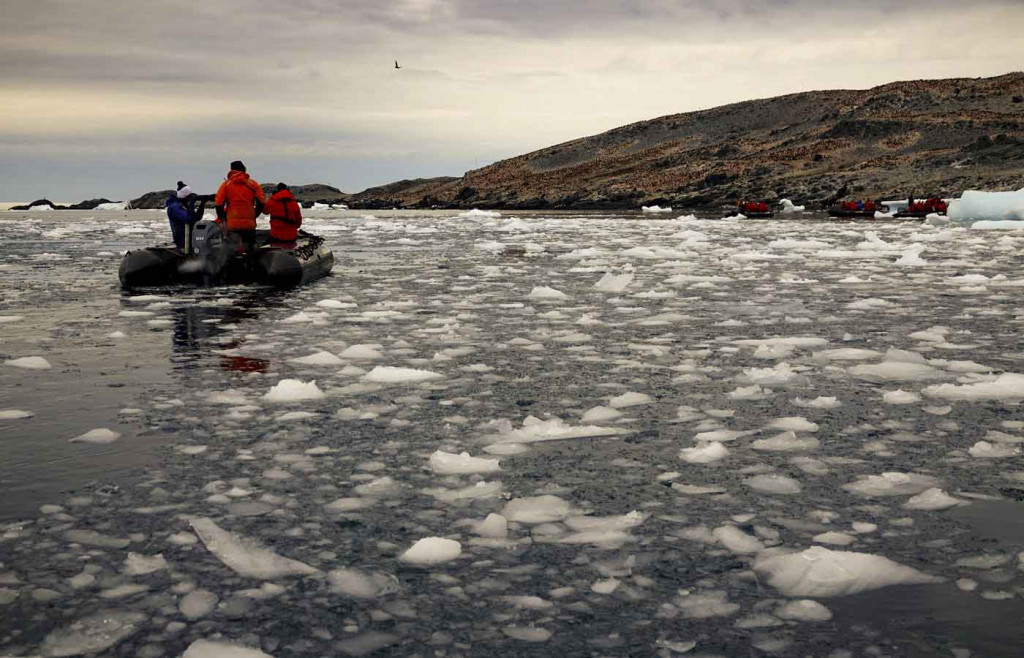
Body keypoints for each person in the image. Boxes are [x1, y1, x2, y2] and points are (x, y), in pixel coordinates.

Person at [214, 160, 265, 253]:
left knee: (232, 251)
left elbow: (218, 204)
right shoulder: (253, 184)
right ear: (243, 169)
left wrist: (224, 218)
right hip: (249, 224)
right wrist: (254, 215)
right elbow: (261, 202)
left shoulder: (226, 185)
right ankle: (251, 265)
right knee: (251, 250)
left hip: (233, 225)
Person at [166, 181, 196, 251]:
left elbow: (195, 217)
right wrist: (192, 204)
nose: (190, 198)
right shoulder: (175, 207)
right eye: (189, 196)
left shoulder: (182, 205)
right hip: (181, 239)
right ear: (184, 196)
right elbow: (188, 219)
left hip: (187, 238)